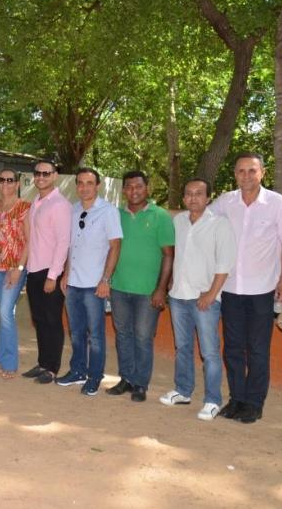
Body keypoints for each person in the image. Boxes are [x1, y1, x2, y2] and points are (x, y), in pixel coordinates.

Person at [211, 152, 282, 423]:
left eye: (252, 170)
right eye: (241, 171)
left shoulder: (277, 203)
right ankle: (237, 399)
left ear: (262, 173)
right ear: (235, 174)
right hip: (231, 289)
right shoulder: (225, 202)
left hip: (263, 290)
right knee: (233, 348)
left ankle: (254, 403)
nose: (246, 176)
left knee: (258, 349)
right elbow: (201, 221)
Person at [162, 178, 236, 420]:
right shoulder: (179, 221)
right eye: (189, 193)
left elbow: (225, 264)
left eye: (199, 193)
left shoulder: (220, 224)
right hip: (178, 296)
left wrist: (211, 294)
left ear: (208, 198)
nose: (193, 198)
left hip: (205, 299)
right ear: (184, 198)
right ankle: (183, 391)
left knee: (209, 352)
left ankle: (213, 400)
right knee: (182, 347)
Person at [107, 170, 174, 402]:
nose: (133, 191)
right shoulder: (116, 215)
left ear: (147, 188)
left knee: (143, 337)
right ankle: (126, 378)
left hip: (148, 292)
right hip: (119, 287)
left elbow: (168, 255)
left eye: (138, 186)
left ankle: (140, 384)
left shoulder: (160, 216)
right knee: (123, 334)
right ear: (123, 190)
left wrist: (161, 289)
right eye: (129, 187)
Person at [57, 168, 122, 395]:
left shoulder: (108, 211)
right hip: (73, 283)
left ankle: (95, 376)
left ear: (98, 186)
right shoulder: (73, 210)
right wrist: (66, 273)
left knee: (95, 335)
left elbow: (115, 247)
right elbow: (70, 246)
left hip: (95, 284)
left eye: (89, 183)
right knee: (76, 332)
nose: (84, 187)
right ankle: (78, 371)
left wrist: (106, 279)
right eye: (81, 183)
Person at [21, 160, 71, 384]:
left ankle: (52, 368)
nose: (41, 177)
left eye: (46, 173)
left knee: (52, 320)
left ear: (55, 175)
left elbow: (63, 243)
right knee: (39, 320)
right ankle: (42, 363)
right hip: (34, 269)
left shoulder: (60, 204)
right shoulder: (37, 202)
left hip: (50, 271)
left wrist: (53, 275)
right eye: (38, 173)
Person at [0, 169, 30, 379]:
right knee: (5, 312)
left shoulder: (25, 207)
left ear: (18, 184)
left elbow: (29, 242)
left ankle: (10, 364)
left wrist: (19, 269)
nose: (5, 183)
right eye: (2, 180)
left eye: (10, 180)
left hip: (14, 269)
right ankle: (1, 358)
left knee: (5, 312)